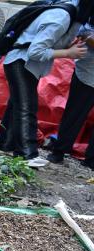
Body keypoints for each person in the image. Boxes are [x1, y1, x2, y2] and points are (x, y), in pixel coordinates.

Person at [0, 0, 94, 167]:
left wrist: (67, 45)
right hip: (21, 62)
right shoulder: (62, 16)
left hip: (25, 63)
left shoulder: (72, 16)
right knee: (27, 108)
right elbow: (36, 51)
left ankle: (5, 144)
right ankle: (27, 154)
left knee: (16, 106)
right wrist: (68, 53)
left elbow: (49, 41)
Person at [48, 22, 94, 169]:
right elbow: (84, 30)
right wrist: (87, 36)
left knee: (74, 114)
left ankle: (91, 159)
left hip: (87, 72)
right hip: (87, 73)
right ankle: (59, 151)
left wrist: (88, 36)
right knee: (74, 115)